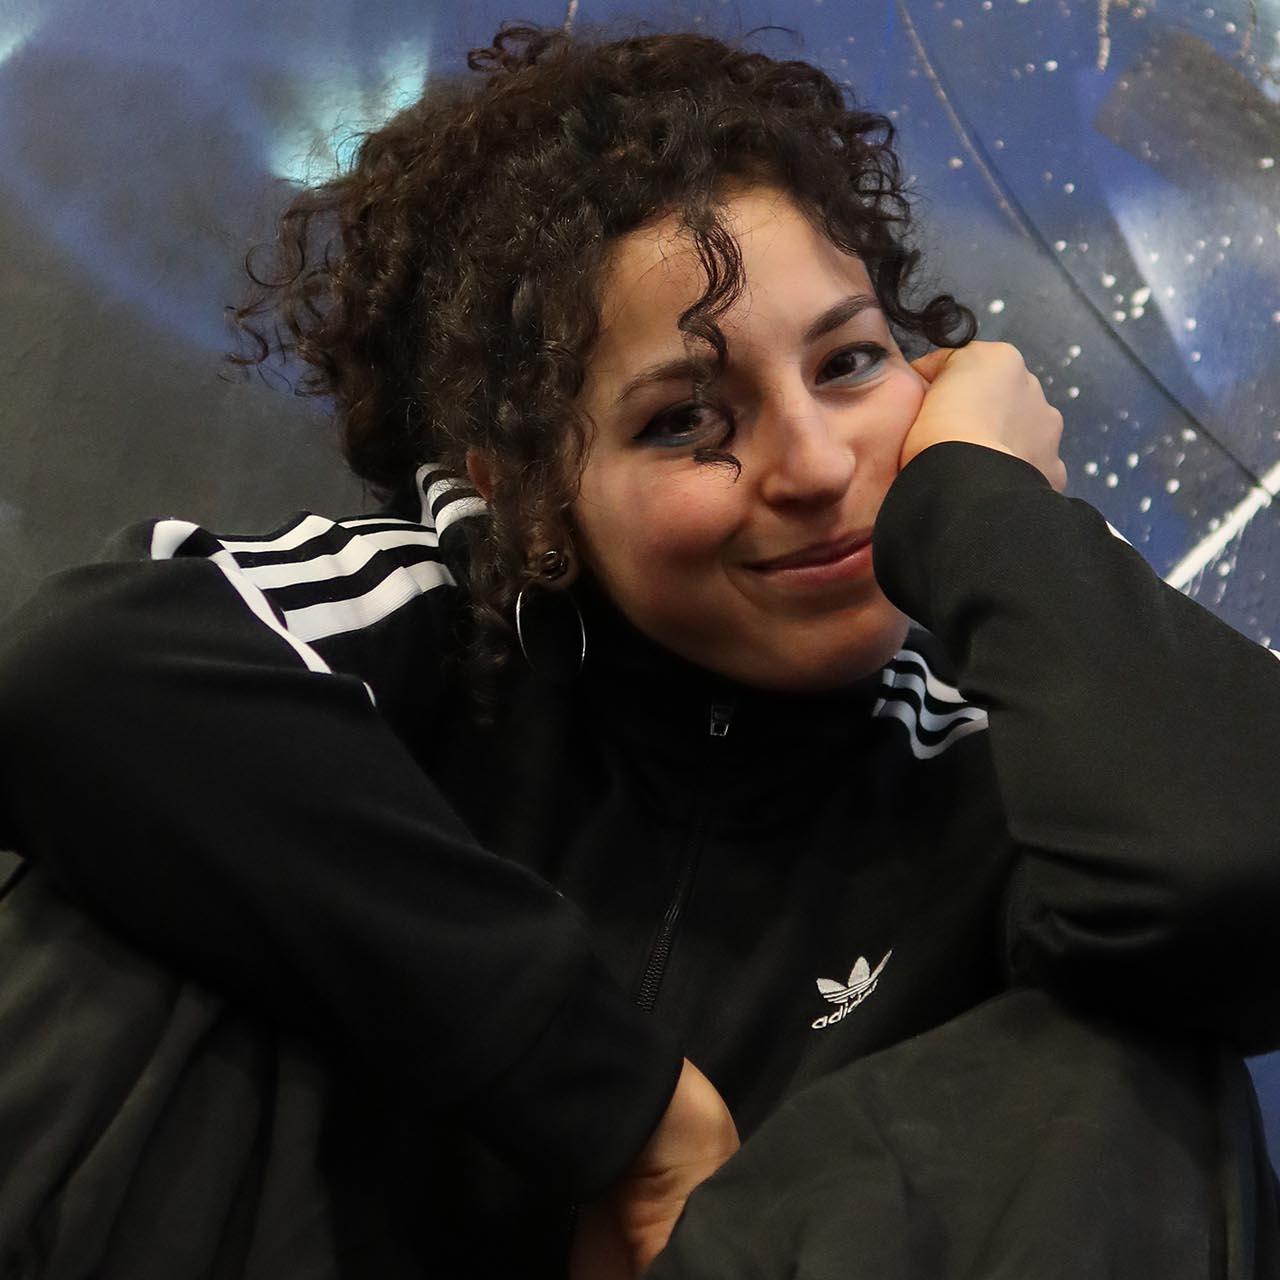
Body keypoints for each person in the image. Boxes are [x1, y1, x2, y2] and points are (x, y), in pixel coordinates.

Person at [1, 19, 1279, 1279]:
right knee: (134, 869)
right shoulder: (424, 618)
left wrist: (988, 508)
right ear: (527, 498)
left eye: (849, 361)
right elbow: (69, 677)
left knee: (1137, 1064)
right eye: (684, 421)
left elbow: (1237, 892)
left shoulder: (985, 749)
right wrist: (632, 1112)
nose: (815, 464)